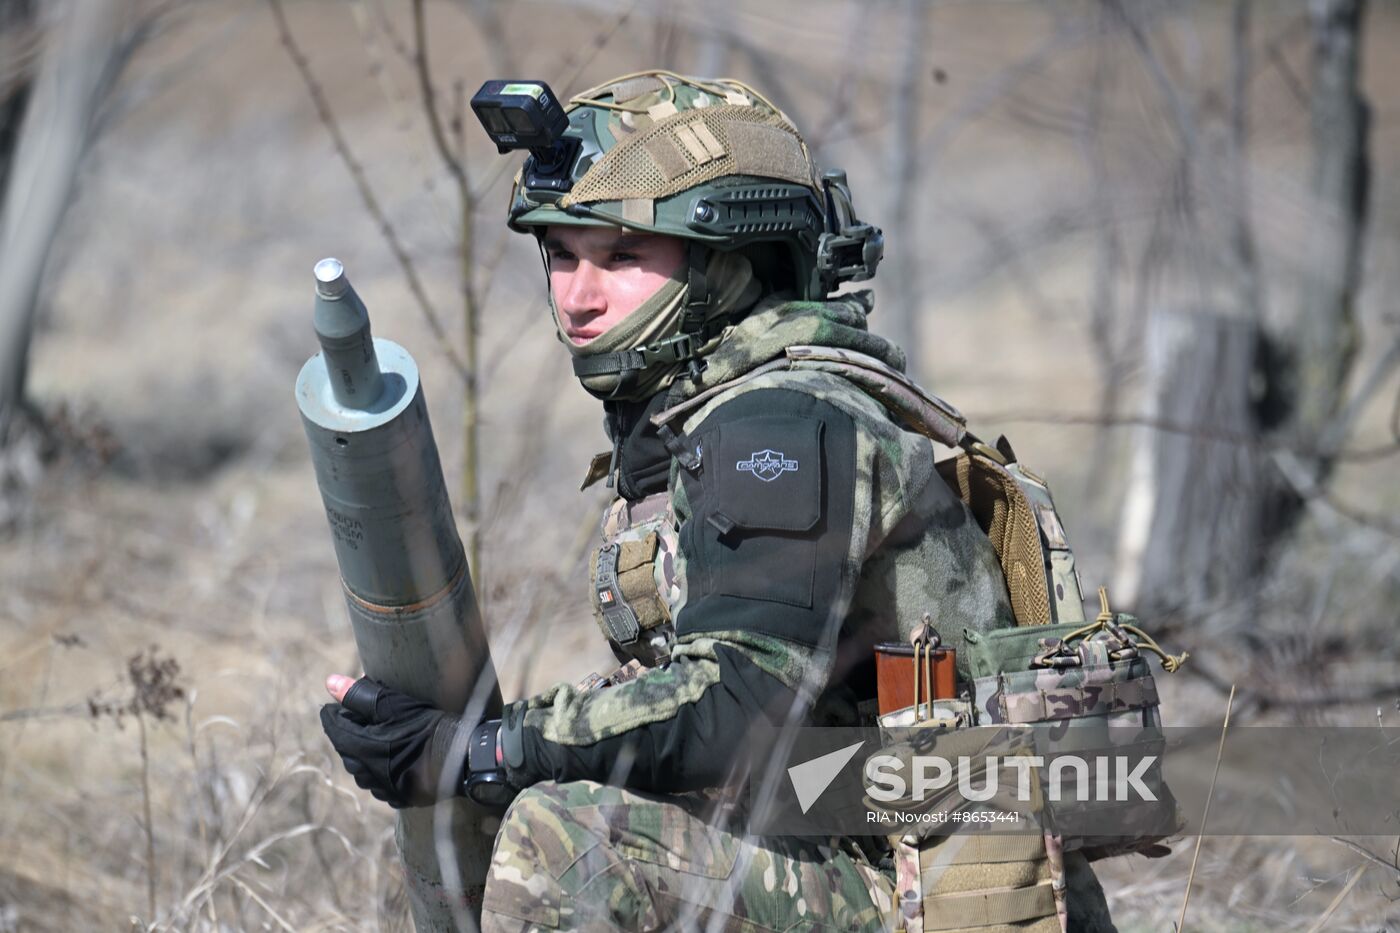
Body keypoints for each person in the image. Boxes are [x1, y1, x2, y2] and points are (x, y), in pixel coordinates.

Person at [320, 70, 1118, 932]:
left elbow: (733, 705)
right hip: (867, 854)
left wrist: (481, 750)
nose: (579, 296)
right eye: (561, 253)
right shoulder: (713, 416)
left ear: (730, 263)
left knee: (573, 842)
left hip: (937, 894)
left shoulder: (782, 417)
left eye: (623, 256)